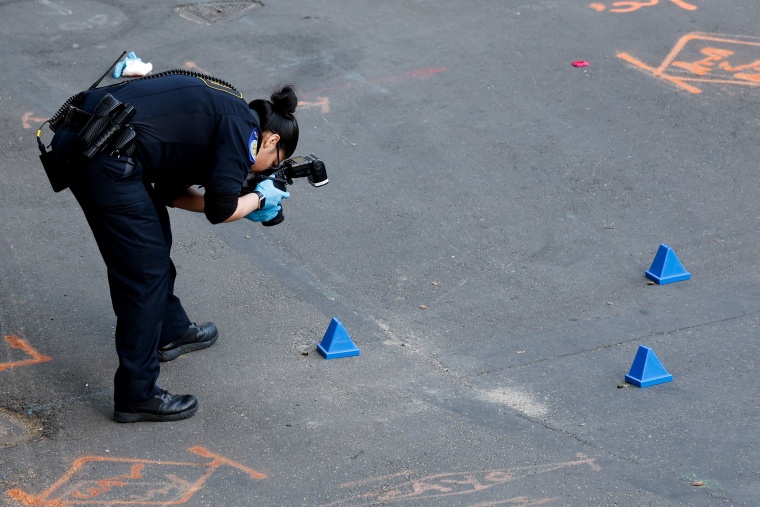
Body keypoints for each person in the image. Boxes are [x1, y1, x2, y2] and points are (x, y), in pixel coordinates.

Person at [47, 72, 299, 422]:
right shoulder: (246, 131)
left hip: (93, 139)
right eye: (272, 163)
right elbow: (221, 211)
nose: (260, 171)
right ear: (271, 141)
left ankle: (172, 331)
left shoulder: (228, 109)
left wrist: (248, 200)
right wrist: (257, 199)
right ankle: (137, 395)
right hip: (104, 155)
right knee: (143, 274)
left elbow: (172, 194)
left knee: (153, 242)